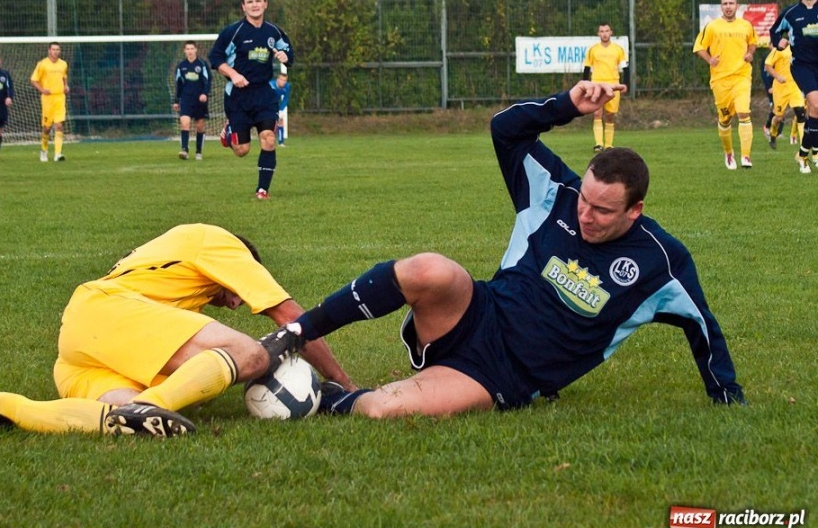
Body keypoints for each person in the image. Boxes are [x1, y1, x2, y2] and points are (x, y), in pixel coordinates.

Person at [258, 81, 746, 418]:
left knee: (386, 408)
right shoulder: (557, 192)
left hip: (503, 375)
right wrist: (566, 107)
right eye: (586, 201)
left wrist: (726, 396)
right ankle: (298, 332)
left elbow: (702, 326)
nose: (585, 214)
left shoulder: (661, 261)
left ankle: (323, 399)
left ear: (634, 212)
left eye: (602, 211)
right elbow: (505, 128)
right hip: (474, 312)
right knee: (431, 268)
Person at [0, 224, 354, 442]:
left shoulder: (170, 278)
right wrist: (343, 384)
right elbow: (289, 313)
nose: (234, 303)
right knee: (250, 353)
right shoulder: (220, 242)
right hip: (105, 310)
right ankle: (149, 406)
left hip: (79, 349)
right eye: (236, 293)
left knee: (118, 419)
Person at [210, 0, 293, 200]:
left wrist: (286, 56)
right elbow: (215, 58)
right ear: (243, 7)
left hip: (264, 94)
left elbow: (287, 50)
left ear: (265, 4)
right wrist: (233, 74)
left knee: (268, 138)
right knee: (242, 150)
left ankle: (262, 190)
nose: (255, 5)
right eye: (250, 2)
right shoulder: (233, 32)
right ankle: (229, 132)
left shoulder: (273, 32)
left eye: (258, 1)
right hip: (238, 97)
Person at [693, 0, 757, 170]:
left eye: (731, 3)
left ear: (737, 6)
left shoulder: (746, 25)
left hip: (742, 76)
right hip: (720, 79)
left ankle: (746, 156)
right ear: (721, 7)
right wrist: (710, 60)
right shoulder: (712, 27)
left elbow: (753, 42)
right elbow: (699, 48)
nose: (728, 6)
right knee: (725, 119)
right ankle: (729, 153)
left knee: (744, 112)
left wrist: (750, 53)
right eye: (725, 4)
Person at [770, 0, 818, 174]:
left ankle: (804, 153)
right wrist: (779, 43)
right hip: (802, 66)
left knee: (815, 112)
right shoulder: (790, 13)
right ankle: (809, 153)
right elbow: (774, 31)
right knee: (816, 104)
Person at [582, 23, 627, 152]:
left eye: (607, 31)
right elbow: (587, 68)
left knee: (610, 115)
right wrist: (585, 85)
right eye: (602, 31)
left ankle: (608, 145)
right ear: (598, 34)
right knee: (597, 113)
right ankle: (598, 144)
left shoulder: (618, 49)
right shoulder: (593, 50)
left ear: (611, 32)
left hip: (613, 84)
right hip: (597, 84)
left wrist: (624, 84)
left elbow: (625, 68)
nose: (604, 33)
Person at [30, 42, 70, 162]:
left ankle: (58, 154)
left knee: (59, 125)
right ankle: (44, 150)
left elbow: (64, 76)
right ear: (49, 51)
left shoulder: (63, 64)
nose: (55, 52)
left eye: (57, 49)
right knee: (47, 128)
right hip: (48, 99)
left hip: (59, 98)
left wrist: (66, 86)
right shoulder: (42, 64)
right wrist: (42, 90)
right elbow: (33, 80)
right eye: (53, 49)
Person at [173, 41, 212, 160]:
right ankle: (184, 150)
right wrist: (176, 100)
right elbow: (178, 84)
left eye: (192, 48)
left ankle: (198, 151)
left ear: (196, 50)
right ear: (184, 51)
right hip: (186, 99)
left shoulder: (202, 64)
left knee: (200, 126)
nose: (189, 51)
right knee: (185, 123)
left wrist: (204, 94)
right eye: (187, 49)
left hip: (199, 100)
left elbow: (208, 80)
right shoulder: (181, 66)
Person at [763, 43, 805, 150]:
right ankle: (773, 133)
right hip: (780, 88)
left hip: (795, 86)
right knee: (778, 117)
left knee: (801, 113)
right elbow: (767, 65)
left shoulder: (798, 47)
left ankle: (803, 147)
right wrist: (777, 77)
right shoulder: (778, 49)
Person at [269, 68, 291, 147]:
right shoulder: (271, 85)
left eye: (285, 80)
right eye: (281, 80)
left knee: (281, 120)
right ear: (278, 79)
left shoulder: (287, 87)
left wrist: (281, 110)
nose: (283, 82)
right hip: (267, 104)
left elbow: (286, 99)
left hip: (276, 105)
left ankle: (281, 142)